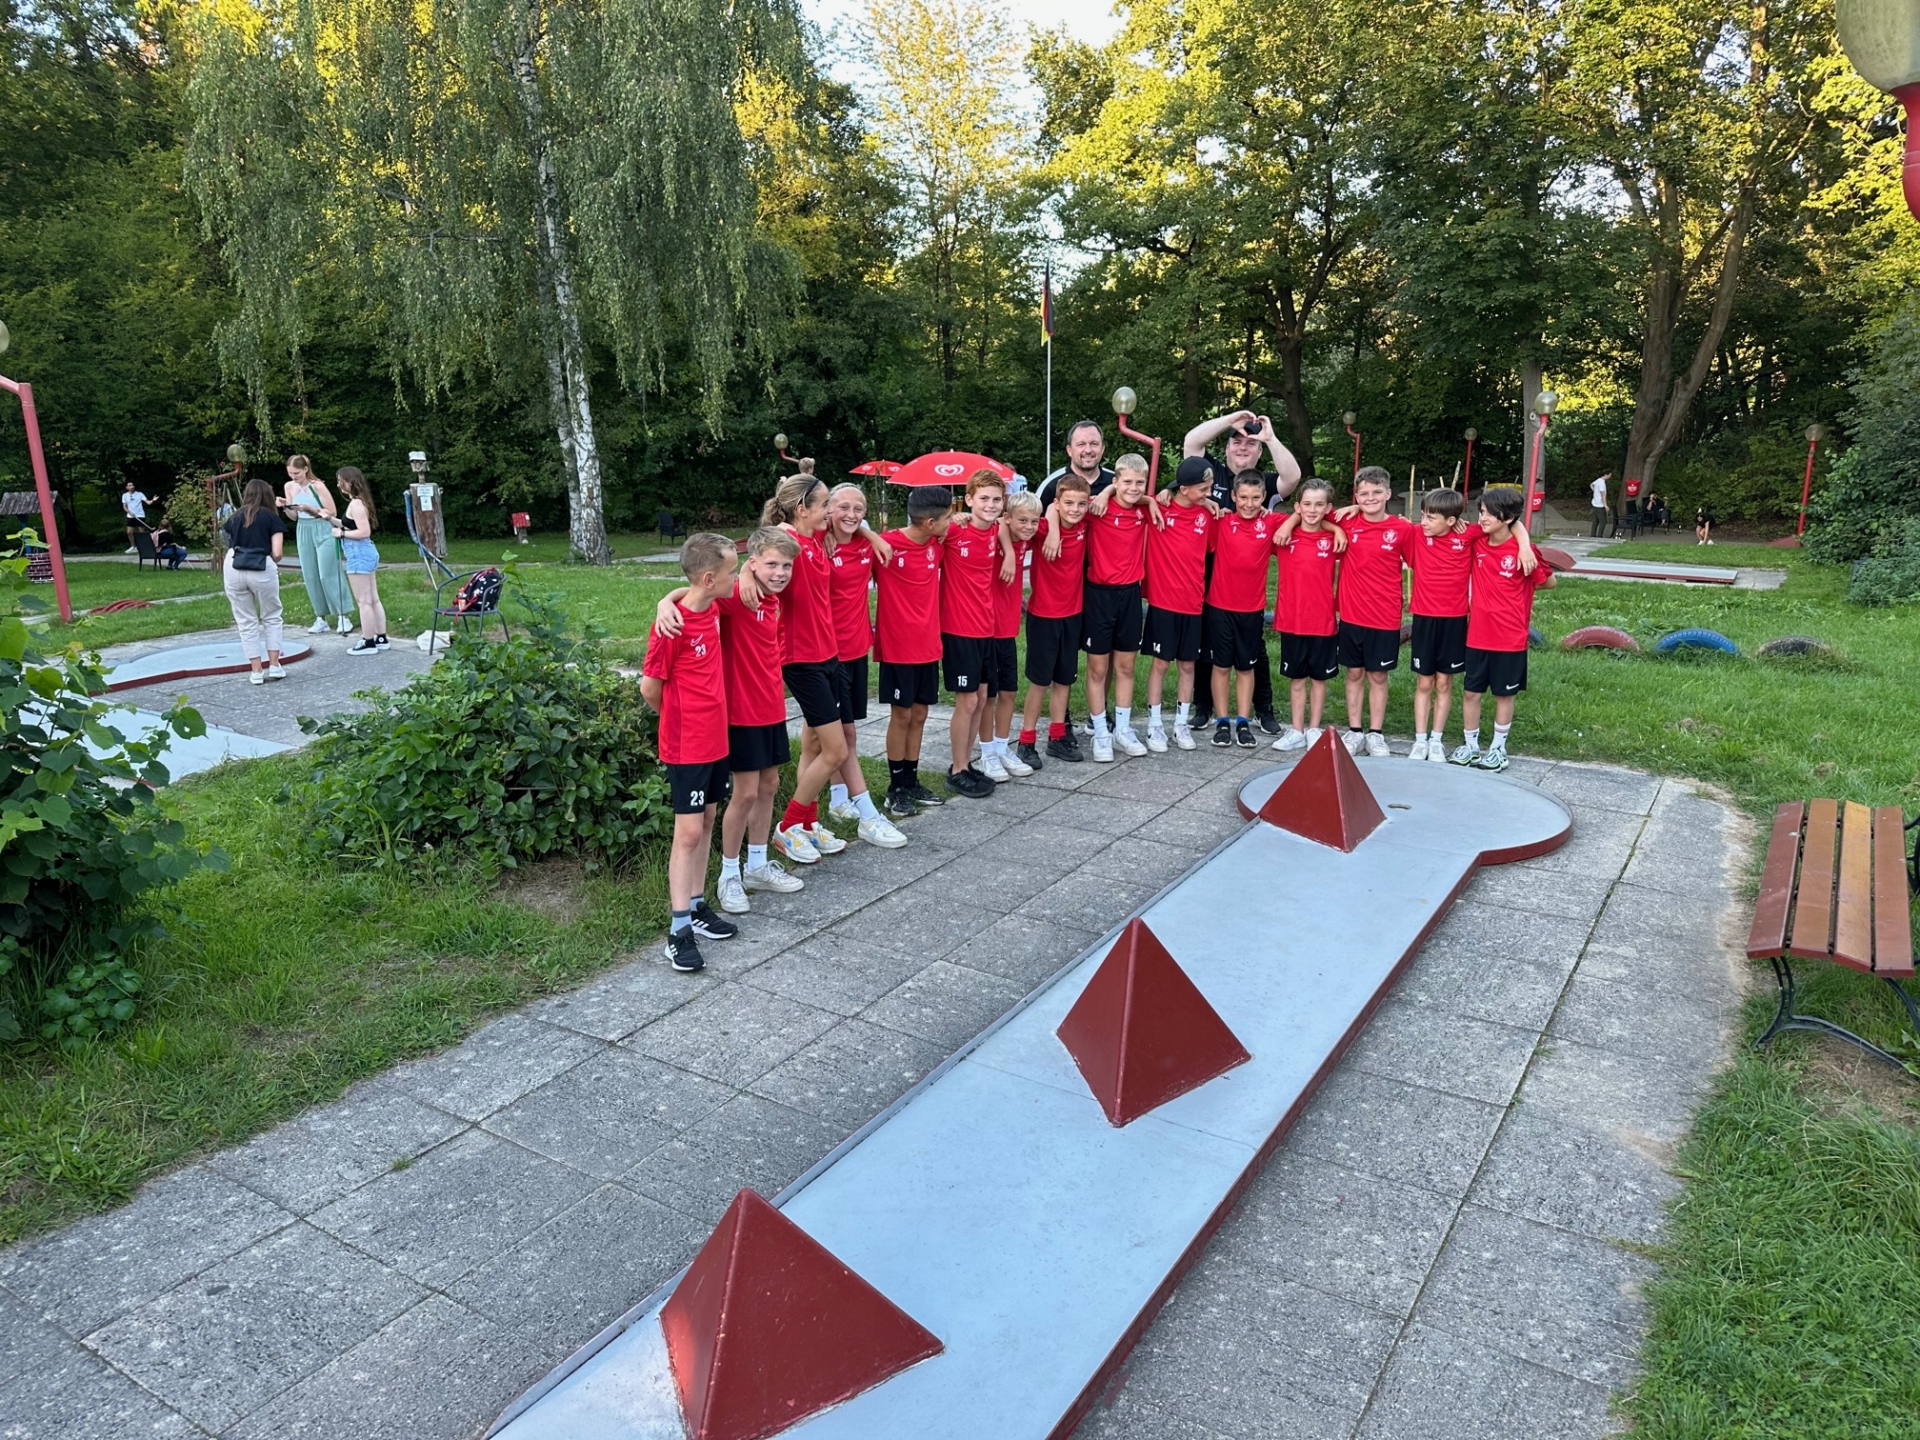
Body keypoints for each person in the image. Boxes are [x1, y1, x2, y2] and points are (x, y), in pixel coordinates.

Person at [639, 532, 742, 973]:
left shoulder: (711, 606)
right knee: (688, 833)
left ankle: (697, 906)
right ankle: (678, 930)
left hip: (717, 739)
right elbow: (649, 689)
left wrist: (667, 596)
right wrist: (680, 720)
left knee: (707, 820)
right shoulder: (670, 628)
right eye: (732, 571)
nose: (737, 578)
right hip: (687, 744)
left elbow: (687, 591)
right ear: (710, 578)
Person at [1181, 409, 1302, 732]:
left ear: (1260, 451)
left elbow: (1293, 478)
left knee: (1254, 652)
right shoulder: (1211, 472)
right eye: (1237, 441)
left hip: (1247, 583)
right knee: (1207, 647)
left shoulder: (1266, 482)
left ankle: (1263, 710)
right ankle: (1204, 707)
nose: (1243, 447)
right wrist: (1229, 420)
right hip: (1206, 571)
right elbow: (1192, 443)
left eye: (1251, 443)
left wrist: (1270, 437)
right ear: (1227, 448)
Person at [714, 528, 807, 915]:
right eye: (771, 564)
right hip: (742, 711)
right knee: (746, 793)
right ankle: (728, 874)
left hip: (771, 707)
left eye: (786, 566)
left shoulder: (770, 597)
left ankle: (756, 865)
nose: (780, 572)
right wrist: (666, 603)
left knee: (769, 785)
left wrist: (755, 575)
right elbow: (694, 595)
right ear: (752, 563)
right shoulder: (739, 595)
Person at [821, 484, 908, 848]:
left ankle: (838, 799)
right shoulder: (818, 545)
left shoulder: (865, 545)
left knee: (846, 729)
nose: (851, 514)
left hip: (857, 647)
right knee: (838, 734)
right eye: (843, 507)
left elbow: (898, 541)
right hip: (827, 652)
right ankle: (839, 801)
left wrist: (868, 534)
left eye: (858, 509)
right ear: (827, 510)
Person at [1451, 486, 1551, 772]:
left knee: (1503, 695)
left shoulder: (1524, 551)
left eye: (1488, 514)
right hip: (1477, 635)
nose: (1481, 518)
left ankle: (1498, 748)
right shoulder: (1477, 541)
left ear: (1506, 518)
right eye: (1481, 512)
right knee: (1471, 692)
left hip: (1510, 637)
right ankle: (1471, 746)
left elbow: (1548, 582)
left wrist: (1526, 555)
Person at [1069, 453, 1155, 762]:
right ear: (1115, 481)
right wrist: (1105, 492)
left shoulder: (1143, 510)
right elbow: (1057, 508)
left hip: (1130, 595)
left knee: (1126, 667)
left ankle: (1122, 729)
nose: (1133, 488)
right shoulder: (1096, 508)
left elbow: (1168, 498)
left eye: (1140, 483)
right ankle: (1100, 732)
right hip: (1099, 595)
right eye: (1126, 482)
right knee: (1098, 667)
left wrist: (1150, 500)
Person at [875, 486, 952, 817]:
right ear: (930, 522)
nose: (951, 523)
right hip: (897, 648)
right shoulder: (886, 545)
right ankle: (895, 788)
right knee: (902, 715)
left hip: (928, 646)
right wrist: (867, 533)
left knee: (920, 714)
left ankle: (911, 781)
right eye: (947, 518)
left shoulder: (936, 543)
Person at [1326, 467, 1410, 756]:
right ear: (1356, 495)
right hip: (1352, 614)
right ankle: (1355, 731)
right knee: (1354, 673)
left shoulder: (1402, 529)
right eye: (1363, 493)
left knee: (1378, 675)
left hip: (1385, 616)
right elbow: (1312, 514)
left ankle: (1376, 733)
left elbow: (1422, 555)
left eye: (1377, 492)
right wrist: (1338, 525)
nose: (1370, 498)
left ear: (1388, 493)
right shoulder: (1346, 520)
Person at [1016, 473, 1092, 768]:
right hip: (1044, 616)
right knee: (1040, 682)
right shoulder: (1043, 528)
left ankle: (1057, 737)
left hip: (1073, 615)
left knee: (1064, 679)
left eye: (1081, 504)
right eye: (1068, 503)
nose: (1075, 509)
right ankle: (1026, 741)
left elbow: (1115, 495)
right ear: (1058, 503)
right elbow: (1007, 523)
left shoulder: (1085, 523)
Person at [1142, 457, 1215, 752]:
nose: (1209, 493)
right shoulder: (1159, 509)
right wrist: (1152, 498)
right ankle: (1154, 725)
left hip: (1193, 603)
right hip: (1163, 602)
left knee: (1187, 665)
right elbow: (1128, 495)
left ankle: (1181, 725)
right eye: (1204, 489)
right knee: (1160, 663)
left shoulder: (1207, 515)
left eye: (1210, 488)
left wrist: (1210, 504)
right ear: (1183, 489)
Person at [940, 471, 1006, 798]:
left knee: (981, 698)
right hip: (958, 628)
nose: (990, 505)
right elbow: (922, 536)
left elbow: (1006, 525)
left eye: (996, 499)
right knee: (966, 701)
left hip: (985, 626)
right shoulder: (954, 530)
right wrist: (952, 517)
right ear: (968, 500)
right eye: (984, 499)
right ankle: (956, 770)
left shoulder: (995, 529)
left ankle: (966, 764)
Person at [1203, 471, 1281, 749]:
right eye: (1243, 497)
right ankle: (1223, 721)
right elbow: (1189, 504)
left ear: (1264, 498)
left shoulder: (1271, 522)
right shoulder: (1221, 521)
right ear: (1234, 496)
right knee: (1221, 665)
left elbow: (1307, 515)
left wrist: (1289, 524)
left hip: (1251, 609)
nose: (1249, 504)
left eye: (1256, 498)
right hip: (1219, 607)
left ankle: (1243, 722)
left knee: (1246, 667)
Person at [1270, 479, 1346, 748]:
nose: (1313, 510)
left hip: (1323, 621)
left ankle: (1314, 728)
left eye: (1319, 505)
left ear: (1328, 508)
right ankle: (1296, 730)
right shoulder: (1282, 535)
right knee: (1297, 678)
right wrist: (1290, 522)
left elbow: (1356, 513)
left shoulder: (1333, 538)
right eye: (1307, 504)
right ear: (1298, 506)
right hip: (1291, 620)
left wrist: (1337, 528)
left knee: (1319, 679)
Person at [1405, 488, 1476, 762]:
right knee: (1425, 682)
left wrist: (1525, 544)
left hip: (1454, 620)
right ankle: (1420, 740)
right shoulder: (1416, 533)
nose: (1423, 522)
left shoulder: (1467, 535)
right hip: (1424, 618)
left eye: (1430, 518)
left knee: (1444, 682)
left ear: (1451, 520)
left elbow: (1508, 523)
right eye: (1422, 515)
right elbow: (1379, 518)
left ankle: (1436, 740)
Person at [978, 493, 1039, 780]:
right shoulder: (992, 535)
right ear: (1008, 518)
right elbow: (994, 524)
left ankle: (1002, 748)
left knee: (1009, 692)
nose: (1029, 526)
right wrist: (1010, 554)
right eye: (1022, 520)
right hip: (985, 628)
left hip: (1008, 628)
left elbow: (1051, 519)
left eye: (1033, 521)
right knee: (987, 696)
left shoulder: (1026, 539)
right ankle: (986, 753)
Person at [221, 478, 289, 685]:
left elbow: (226, 542)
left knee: (245, 620)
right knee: (272, 615)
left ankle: (256, 671)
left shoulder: (234, 517)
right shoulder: (271, 518)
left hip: (234, 565)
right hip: (261, 566)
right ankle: (274, 665)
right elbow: (277, 553)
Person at [281, 455, 355, 635]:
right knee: (310, 575)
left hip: (322, 528)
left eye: (297, 473)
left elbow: (332, 511)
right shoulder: (289, 486)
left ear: (305, 469)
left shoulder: (318, 486)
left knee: (327, 573)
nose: (293, 477)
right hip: (303, 529)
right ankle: (320, 618)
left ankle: (343, 615)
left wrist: (310, 509)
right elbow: (294, 517)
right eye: (290, 473)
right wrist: (285, 507)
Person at [329, 467, 390, 655]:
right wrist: (329, 518)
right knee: (372, 599)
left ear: (350, 482)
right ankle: (381, 638)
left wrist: (341, 534)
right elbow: (349, 524)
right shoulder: (360, 501)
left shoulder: (356, 504)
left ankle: (368, 642)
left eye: (341, 481)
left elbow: (364, 532)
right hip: (366, 552)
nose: (338, 485)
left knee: (363, 601)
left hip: (358, 555)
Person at [1034, 419, 1114, 510]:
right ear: (1069, 450)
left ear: (1102, 449)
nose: (1088, 450)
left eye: (1094, 444)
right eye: (1081, 444)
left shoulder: (1117, 481)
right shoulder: (1051, 485)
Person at [122, 482, 153, 554]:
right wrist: (129, 512)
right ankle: (133, 547)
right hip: (130, 516)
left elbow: (148, 502)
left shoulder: (140, 494)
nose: (132, 486)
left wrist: (153, 500)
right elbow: (124, 507)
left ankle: (143, 547)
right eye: (130, 486)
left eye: (132, 485)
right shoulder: (125, 495)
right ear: (127, 487)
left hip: (140, 515)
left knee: (141, 533)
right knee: (129, 532)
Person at [1589, 472, 1612, 537]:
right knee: (1603, 521)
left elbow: (1591, 485)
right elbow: (1603, 495)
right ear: (1606, 475)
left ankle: (1593, 534)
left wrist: (1595, 491)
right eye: (1609, 475)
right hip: (1599, 505)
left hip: (1594, 503)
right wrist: (1605, 505)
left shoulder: (1598, 480)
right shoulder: (1602, 483)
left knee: (1595, 520)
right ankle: (1599, 535)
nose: (1610, 477)